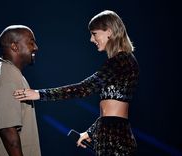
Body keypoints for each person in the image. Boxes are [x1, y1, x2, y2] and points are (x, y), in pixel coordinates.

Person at [14, 10, 139, 156]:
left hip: (115, 137)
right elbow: (110, 110)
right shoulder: (120, 61)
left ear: (109, 32)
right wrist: (91, 132)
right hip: (111, 133)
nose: (91, 39)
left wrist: (39, 94)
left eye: (94, 33)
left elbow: (83, 88)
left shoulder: (120, 61)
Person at [0, 25, 41, 156]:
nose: (36, 47)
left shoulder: (10, 73)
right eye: (31, 42)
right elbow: (8, 130)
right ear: (14, 46)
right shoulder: (7, 77)